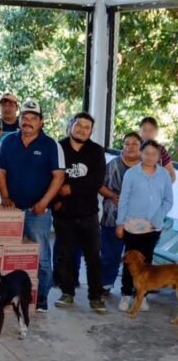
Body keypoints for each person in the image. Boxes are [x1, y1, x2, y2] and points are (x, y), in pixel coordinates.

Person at [0, 100, 65, 312]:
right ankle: (10, 294)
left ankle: (42, 297)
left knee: (42, 258)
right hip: (11, 211)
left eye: (33, 118)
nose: (28, 122)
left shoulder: (51, 145)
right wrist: (5, 196)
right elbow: (1, 172)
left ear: (41, 122)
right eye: (24, 118)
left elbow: (59, 177)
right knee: (10, 253)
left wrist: (44, 203)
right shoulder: (8, 141)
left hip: (38, 213)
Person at [51, 113, 107, 313]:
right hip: (63, 214)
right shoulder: (58, 148)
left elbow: (96, 180)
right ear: (70, 126)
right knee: (65, 256)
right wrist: (55, 202)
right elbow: (49, 177)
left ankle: (96, 297)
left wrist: (71, 188)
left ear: (91, 131)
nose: (82, 129)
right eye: (79, 125)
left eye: (87, 127)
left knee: (93, 257)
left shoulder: (96, 151)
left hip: (88, 214)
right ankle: (67, 293)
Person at [116, 139, 173, 312]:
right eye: (146, 153)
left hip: (153, 227)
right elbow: (124, 200)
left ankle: (142, 296)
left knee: (147, 263)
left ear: (159, 156)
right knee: (130, 262)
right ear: (141, 153)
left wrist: (157, 218)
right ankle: (126, 294)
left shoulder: (164, 175)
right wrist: (120, 223)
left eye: (154, 154)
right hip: (132, 226)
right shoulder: (131, 174)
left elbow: (168, 200)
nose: (150, 157)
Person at [100, 132, 141, 294]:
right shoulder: (113, 165)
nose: (130, 147)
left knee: (136, 257)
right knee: (110, 255)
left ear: (141, 147)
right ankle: (105, 285)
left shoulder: (146, 166)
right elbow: (99, 185)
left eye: (134, 143)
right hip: (112, 216)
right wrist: (112, 196)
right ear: (122, 147)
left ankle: (132, 287)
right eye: (126, 143)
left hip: (138, 220)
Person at [138, 117, 176, 182]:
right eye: (144, 130)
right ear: (139, 132)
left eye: (150, 130)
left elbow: (172, 175)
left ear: (156, 132)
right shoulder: (134, 148)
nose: (147, 133)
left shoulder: (161, 150)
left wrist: (161, 185)